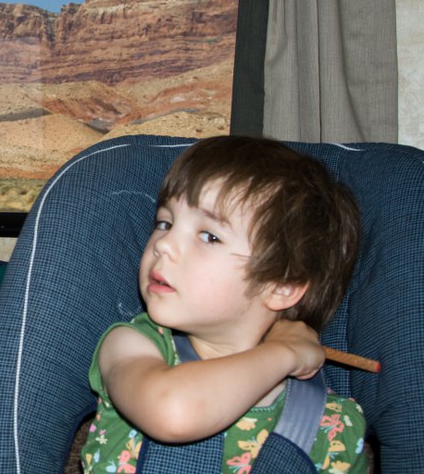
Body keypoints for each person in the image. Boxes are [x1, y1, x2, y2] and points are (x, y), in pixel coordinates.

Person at [81, 136, 367, 473]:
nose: (164, 245)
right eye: (164, 223)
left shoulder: (332, 426)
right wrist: (285, 354)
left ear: (281, 287)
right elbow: (174, 413)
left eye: (209, 236)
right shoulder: (134, 347)